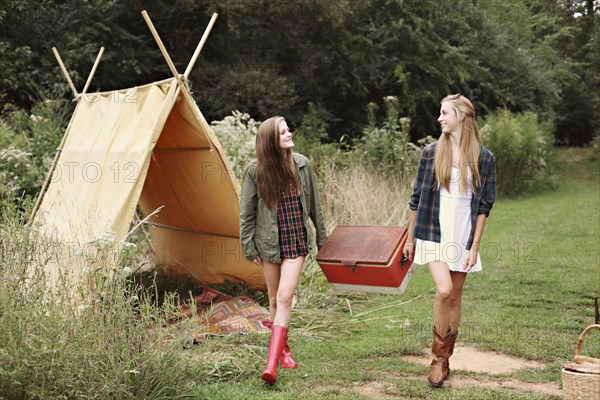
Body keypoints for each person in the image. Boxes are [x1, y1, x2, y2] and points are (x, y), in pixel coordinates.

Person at [404, 94, 496, 387]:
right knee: (443, 290)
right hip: (433, 230)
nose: (440, 118)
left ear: (462, 117)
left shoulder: (484, 157)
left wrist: (475, 245)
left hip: (463, 234)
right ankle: (436, 357)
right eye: (440, 113)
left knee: (455, 296)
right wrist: (410, 239)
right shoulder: (431, 153)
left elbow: (484, 207)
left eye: (445, 113)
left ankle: (444, 359)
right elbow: (416, 199)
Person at [240, 116, 327, 384]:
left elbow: (315, 208)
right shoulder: (255, 171)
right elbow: (246, 214)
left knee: (286, 296)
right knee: (274, 299)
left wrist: (323, 242)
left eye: (288, 129)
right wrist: (248, 246)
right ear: (270, 141)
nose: (289, 134)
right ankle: (283, 349)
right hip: (268, 242)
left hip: (296, 240)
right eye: (282, 132)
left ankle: (270, 365)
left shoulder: (302, 164)